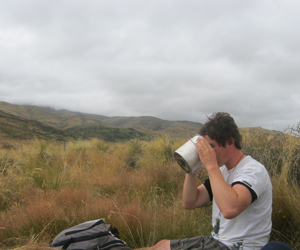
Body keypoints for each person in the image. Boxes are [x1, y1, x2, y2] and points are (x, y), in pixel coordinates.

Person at [143, 112, 273, 250]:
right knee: (161, 246)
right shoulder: (222, 172)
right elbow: (190, 202)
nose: (207, 153)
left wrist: (211, 165)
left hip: (239, 247)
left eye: (211, 146)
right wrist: (192, 166)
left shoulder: (253, 170)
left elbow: (230, 209)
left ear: (230, 142)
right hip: (217, 241)